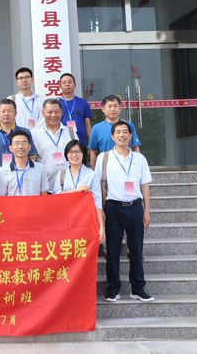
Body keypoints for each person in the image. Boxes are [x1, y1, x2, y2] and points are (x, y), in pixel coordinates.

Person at [96, 121, 154, 303]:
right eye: (118, 132)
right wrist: (100, 211)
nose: (122, 135)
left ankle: (138, 288)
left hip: (135, 207)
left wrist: (147, 211)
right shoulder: (104, 158)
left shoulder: (139, 158)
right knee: (113, 250)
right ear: (112, 136)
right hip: (113, 207)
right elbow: (97, 186)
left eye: (125, 132)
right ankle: (113, 289)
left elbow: (144, 185)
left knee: (136, 249)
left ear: (130, 136)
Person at [53, 140, 105, 242]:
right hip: (64, 219)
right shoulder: (61, 174)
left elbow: (97, 203)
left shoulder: (91, 175)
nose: (74, 155)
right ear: (66, 155)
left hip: (85, 220)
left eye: (77, 152)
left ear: (83, 154)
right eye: (71, 152)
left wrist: (101, 227)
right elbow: (56, 196)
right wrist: (77, 191)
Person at [31, 98, 76, 187]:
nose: (53, 115)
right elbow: (33, 161)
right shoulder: (34, 134)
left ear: (61, 112)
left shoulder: (71, 132)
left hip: (69, 186)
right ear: (43, 113)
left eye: (57, 112)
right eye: (50, 112)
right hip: (46, 186)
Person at [88, 95, 142, 168]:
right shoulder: (96, 128)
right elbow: (93, 152)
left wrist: (138, 166)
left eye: (115, 106)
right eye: (109, 106)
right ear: (103, 109)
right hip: (106, 167)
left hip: (127, 166)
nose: (112, 109)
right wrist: (94, 170)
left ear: (120, 108)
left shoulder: (129, 125)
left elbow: (135, 147)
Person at [0, 99, 37, 166]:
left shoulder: (25, 132)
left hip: (20, 171)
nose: (6, 114)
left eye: (10, 111)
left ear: (15, 114)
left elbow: (32, 156)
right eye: (3, 111)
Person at [0, 130, 50, 196]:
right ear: (10, 148)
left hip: (35, 203)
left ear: (30, 147)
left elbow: (44, 193)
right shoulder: (3, 170)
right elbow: (1, 196)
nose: (20, 147)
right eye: (17, 143)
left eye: (24, 142)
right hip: (12, 203)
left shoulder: (40, 168)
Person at [59, 73, 93, 146]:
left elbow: (87, 125)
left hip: (82, 143)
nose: (67, 84)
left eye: (70, 82)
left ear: (75, 85)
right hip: (62, 143)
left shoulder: (83, 103)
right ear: (60, 86)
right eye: (64, 82)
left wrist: (91, 145)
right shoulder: (57, 104)